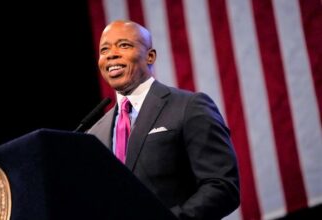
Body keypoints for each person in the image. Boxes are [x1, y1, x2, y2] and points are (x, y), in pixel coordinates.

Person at [87, 20, 240, 220]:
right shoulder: (94, 134)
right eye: (104, 49)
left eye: (124, 45)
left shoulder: (189, 106)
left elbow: (222, 186)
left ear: (150, 56)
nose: (111, 54)